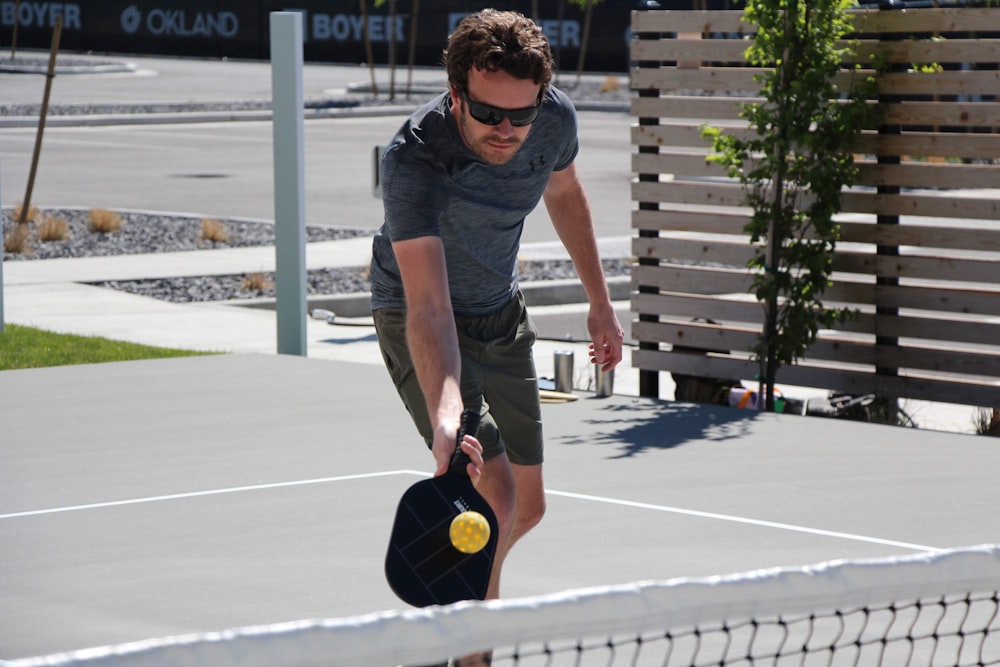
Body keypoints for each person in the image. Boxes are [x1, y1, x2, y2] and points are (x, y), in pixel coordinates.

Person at [370, 8, 624, 603]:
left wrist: (599, 302)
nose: (506, 129)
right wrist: (446, 414)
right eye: (487, 113)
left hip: (500, 309)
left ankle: (450, 598)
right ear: (455, 95)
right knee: (497, 500)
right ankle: (472, 644)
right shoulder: (413, 159)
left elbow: (564, 193)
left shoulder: (554, 120)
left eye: (520, 114)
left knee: (525, 509)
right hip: (419, 312)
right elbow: (429, 307)